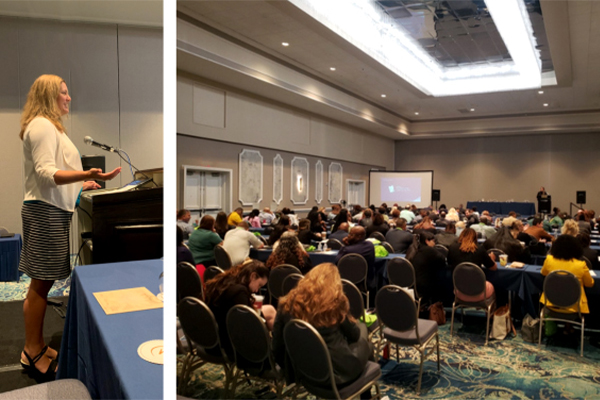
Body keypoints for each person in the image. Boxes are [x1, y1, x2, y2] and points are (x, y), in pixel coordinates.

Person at [19, 75, 121, 377]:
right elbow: (46, 173)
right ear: (50, 96)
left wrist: (83, 182)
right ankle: (31, 351)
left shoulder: (50, 127)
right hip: (44, 213)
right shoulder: (41, 125)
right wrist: (86, 173)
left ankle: (34, 344)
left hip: (52, 211)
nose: (69, 98)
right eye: (64, 93)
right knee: (40, 285)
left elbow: (54, 178)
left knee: (43, 282)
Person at [272, 263, 372, 393]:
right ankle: (367, 394)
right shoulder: (334, 303)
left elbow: (277, 345)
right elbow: (353, 334)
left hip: (304, 371)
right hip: (336, 375)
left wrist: (287, 369)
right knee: (363, 333)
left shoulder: (286, 303)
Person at [204, 260, 277, 359]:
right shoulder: (239, 292)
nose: (256, 290)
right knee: (266, 319)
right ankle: (275, 349)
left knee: (270, 309)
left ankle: (274, 344)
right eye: (259, 285)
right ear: (253, 276)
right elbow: (247, 325)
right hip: (229, 344)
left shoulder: (226, 280)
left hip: (212, 336)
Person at [540, 235, 594, 313]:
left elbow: (543, 273)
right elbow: (590, 284)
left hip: (550, 303)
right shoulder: (581, 265)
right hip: (575, 307)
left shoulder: (549, 260)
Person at [405, 231, 446, 304]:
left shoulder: (412, 249)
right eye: (433, 241)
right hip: (422, 287)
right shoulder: (429, 250)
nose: (434, 243)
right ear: (427, 241)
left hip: (410, 284)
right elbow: (442, 260)